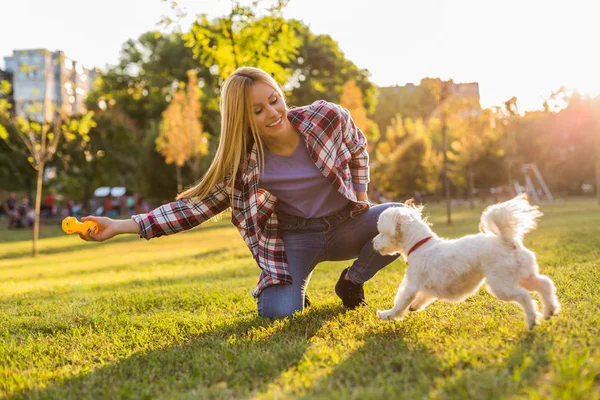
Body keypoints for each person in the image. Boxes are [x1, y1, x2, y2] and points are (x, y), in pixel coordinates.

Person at [78, 66, 403, 319]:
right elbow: (192, 208)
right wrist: (120, 225)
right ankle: (292, 290)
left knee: (402, 220)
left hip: (347, 223)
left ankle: (352, 281)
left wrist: (360, 195)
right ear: (242, 119)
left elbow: (357, 146)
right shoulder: (244, 164)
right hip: (297, 239)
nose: (273, 113)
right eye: (257, 110)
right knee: (278, 312)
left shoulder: (325, 117)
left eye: (274, 100)